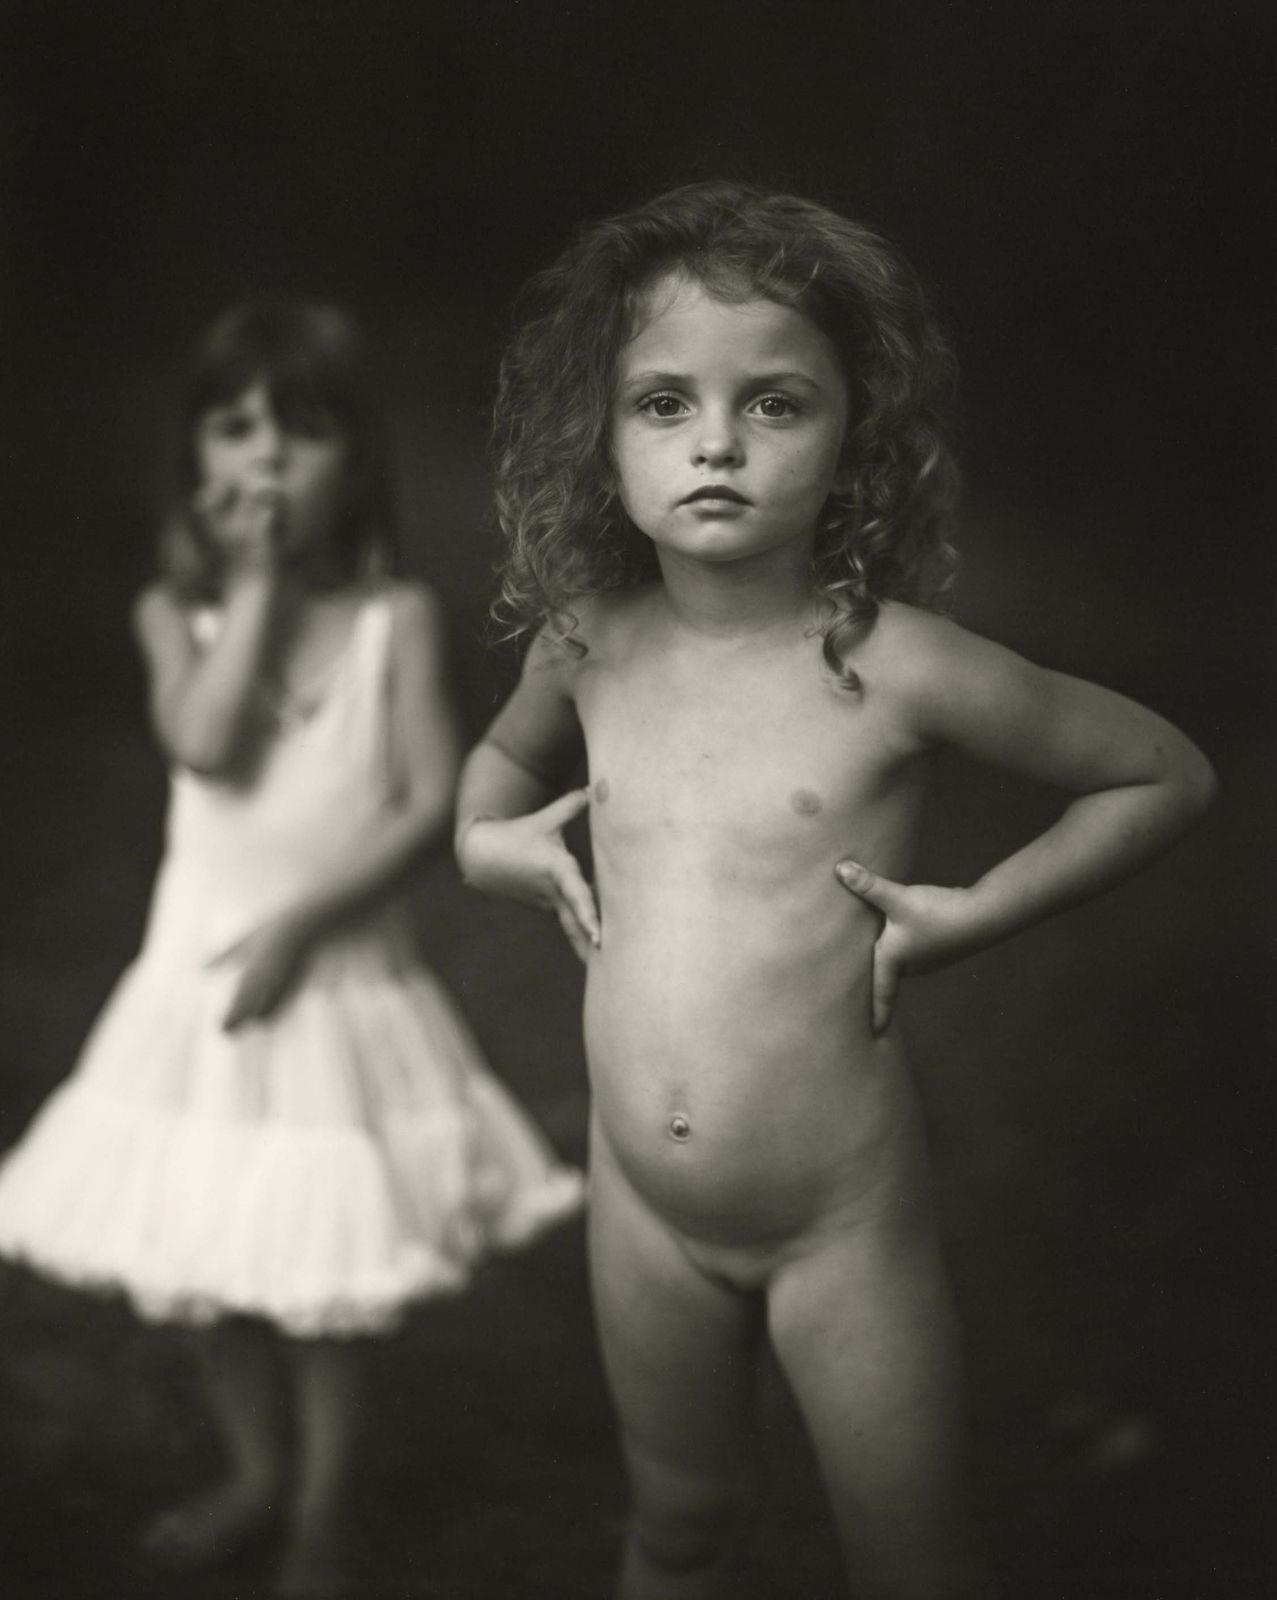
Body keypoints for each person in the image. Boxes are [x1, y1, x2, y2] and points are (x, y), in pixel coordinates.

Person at [453, 182, 1217, 1600]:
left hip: (836, 1224)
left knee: (912, 1563)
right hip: (640, 1203)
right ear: (599, 438)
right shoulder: (586, 640)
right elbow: (498, 766)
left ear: (852, 434)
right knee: (680, 1525)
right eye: (664, 403)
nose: (718, 443)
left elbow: (1161, 772)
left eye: (774, 404)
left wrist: (979, 909)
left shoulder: (898, 664)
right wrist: (484, 844)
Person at [0, 300, 583, 1598]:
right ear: (198, 463)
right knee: (213, 1260)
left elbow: (424, 801)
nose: (265, 457)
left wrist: (307, 924)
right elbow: (206, 745)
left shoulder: (393, 621)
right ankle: (252, 1474)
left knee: (321, 1265)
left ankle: (322, 1509)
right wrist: (253, 588)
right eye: (234, 429)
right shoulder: (176, 617)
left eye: (302, 432)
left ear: (355, 463)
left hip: (332, 981)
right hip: (198, 993)